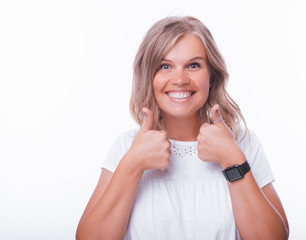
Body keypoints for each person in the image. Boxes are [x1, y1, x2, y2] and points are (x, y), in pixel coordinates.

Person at [76, 16, 289, 240]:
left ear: (212, 77)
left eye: (193, 65)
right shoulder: (126, 146)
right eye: (165, 66)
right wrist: (133, 165)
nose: (179, 79)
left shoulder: (243, 142)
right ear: (149, 76)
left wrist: (232, 159)